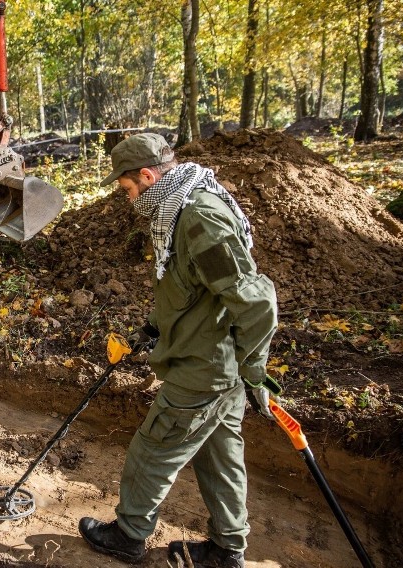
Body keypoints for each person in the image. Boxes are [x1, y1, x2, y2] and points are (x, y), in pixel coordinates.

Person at [78, 133, 278, 567]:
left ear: (148, 176)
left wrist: (255, 370)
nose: (127, 200)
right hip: (212, 362)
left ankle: (129, 534)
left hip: (203, 369)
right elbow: (193, 286)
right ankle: (228, 549)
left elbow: (258, 302)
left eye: (128, 189)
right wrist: (156, 324)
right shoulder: (178, 206)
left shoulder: (198, 218)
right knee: (220, 457)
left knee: (153, 449)